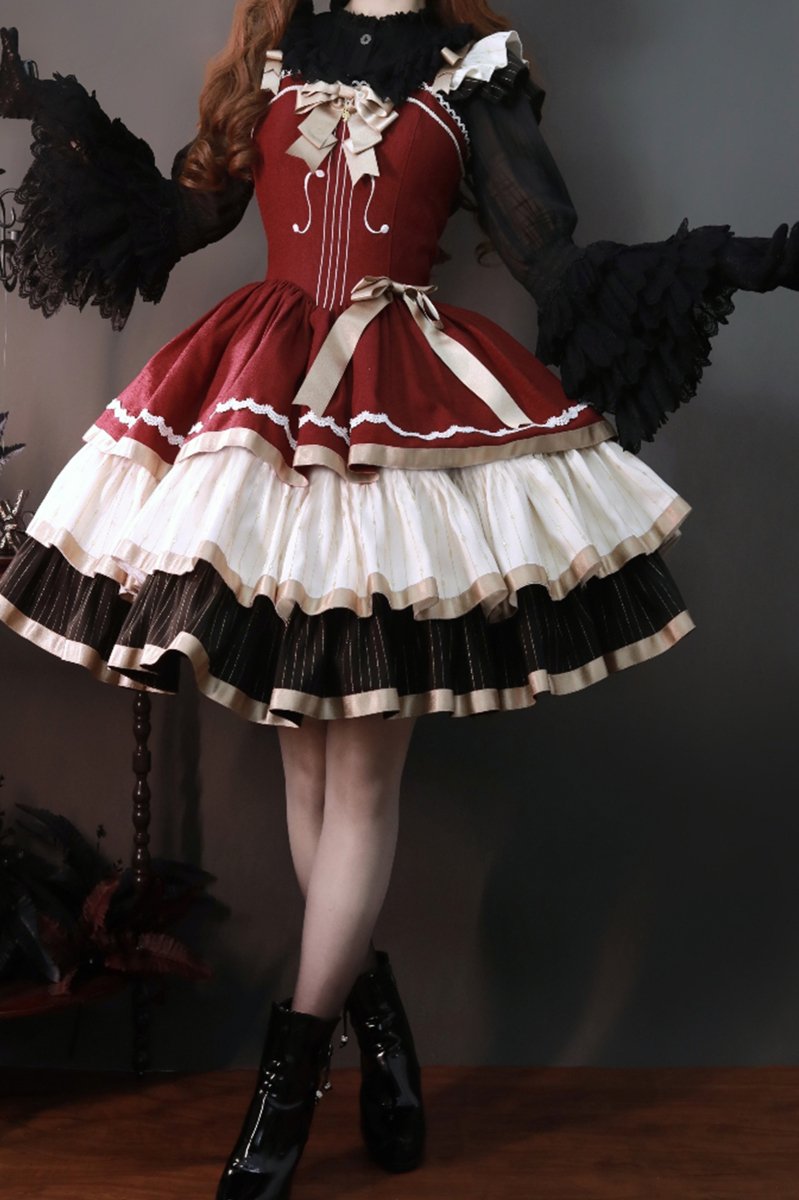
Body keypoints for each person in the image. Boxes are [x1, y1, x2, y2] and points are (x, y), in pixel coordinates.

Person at [1, 2, 797, 1197]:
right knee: (307, 773)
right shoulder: (276, 55)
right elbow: (182, 214)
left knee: (362, 781)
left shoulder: (476, 73)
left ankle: (284, 1089)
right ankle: (377, 1032)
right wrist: (49, 109)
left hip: (404, 423)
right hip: (264, 418)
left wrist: (750, 259)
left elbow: (554, 265)